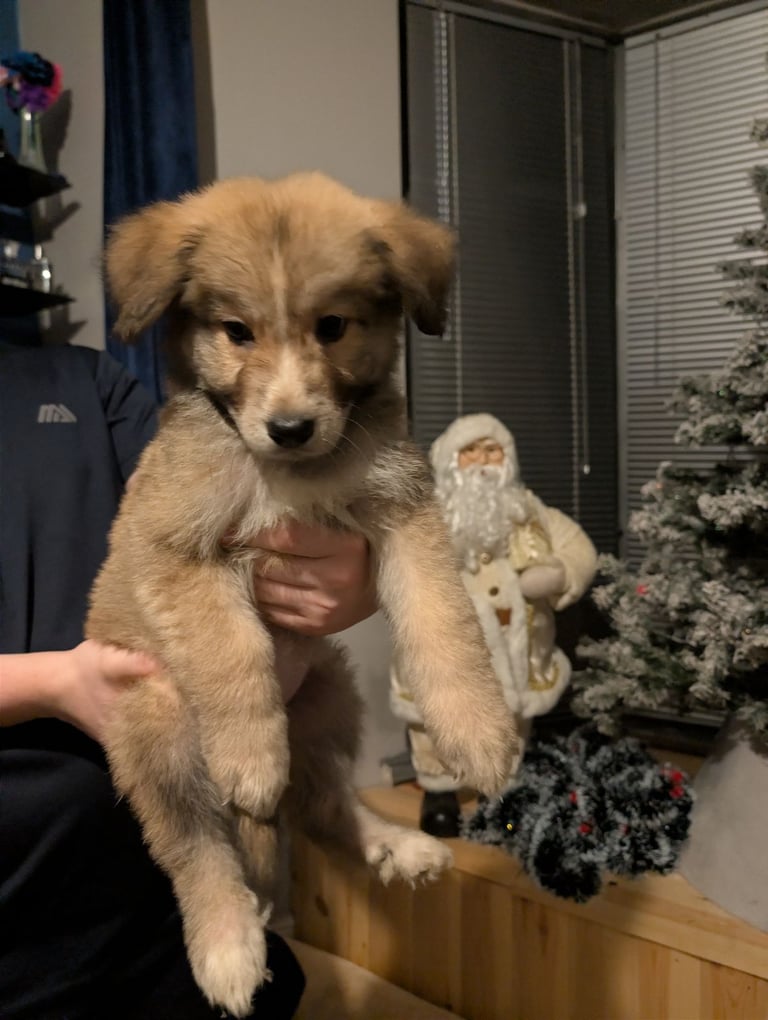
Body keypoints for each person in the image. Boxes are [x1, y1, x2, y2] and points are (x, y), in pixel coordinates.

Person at [0, 341, 377, 1019]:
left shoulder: (84, 379)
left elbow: (212, 520)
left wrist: (356, 566)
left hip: (145, 902)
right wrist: (57, 682)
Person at [390, 413, 598, 836]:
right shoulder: (428, 511)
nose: (482, 460)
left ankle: (499, 793)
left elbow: (578, 547)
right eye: (470, 451)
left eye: (492, 450)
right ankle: (439, 791)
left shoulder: (528, 509)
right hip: (446, 647)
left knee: (510, 724)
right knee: (435, 721)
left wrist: (558, 574)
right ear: (451, 460)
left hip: (520, 650)